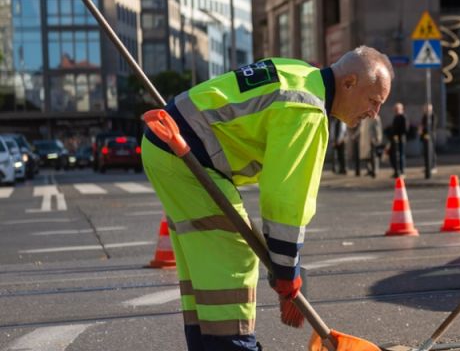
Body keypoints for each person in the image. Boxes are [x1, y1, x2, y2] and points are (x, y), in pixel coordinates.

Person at [141, 46, 393, 351]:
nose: (374, 113)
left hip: (168, 145)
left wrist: (287, 268)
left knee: (206, 269)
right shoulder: (307, 109)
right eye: (373, 101)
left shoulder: (300, 74)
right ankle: (234, 346)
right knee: (232, 255)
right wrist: (287, 273)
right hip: (184, 152)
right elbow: (286, 199)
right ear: (350, 82)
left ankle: (209, 345)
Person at [389, 102, 408, 178]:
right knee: (394, 155)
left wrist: (399, 135)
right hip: (395, 140)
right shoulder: (396, 117)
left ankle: (402, 171)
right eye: (395, 109)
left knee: (401, 155)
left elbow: (405, 129)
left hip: (401, 139)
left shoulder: (403, 117)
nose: (395, 110)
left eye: (397, 109)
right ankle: (396, 171)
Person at [419, 103, 437, 174]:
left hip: (430, 136)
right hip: (425, 136)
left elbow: (432, 127)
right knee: (426, 152)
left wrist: (424, 129)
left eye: (426, 109)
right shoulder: (424, 116)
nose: (425, 110)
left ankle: (433, 166)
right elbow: (422, 124)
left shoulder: (433, 116)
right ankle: (428, 166)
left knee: (431, 151)